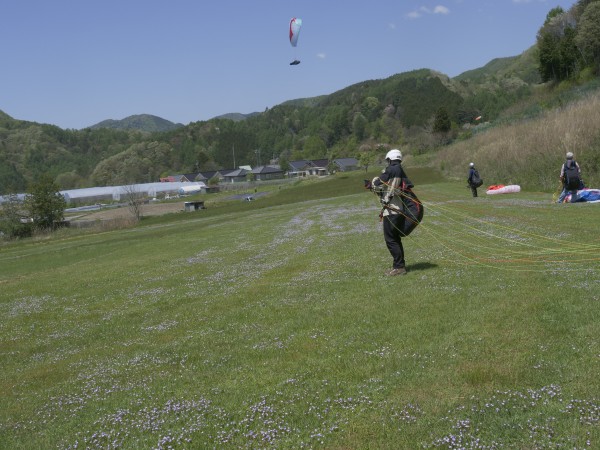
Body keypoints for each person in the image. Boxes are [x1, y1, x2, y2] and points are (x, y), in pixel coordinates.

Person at [371, 149, 414, 276]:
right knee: (395, 239)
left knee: (391, 240)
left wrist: (372, 182)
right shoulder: (399, 170)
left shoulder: (392, 170)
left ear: (390, 159)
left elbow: (378, 184)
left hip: (392, 211)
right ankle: (400, 266)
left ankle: (399, 267)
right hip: (399, 210)